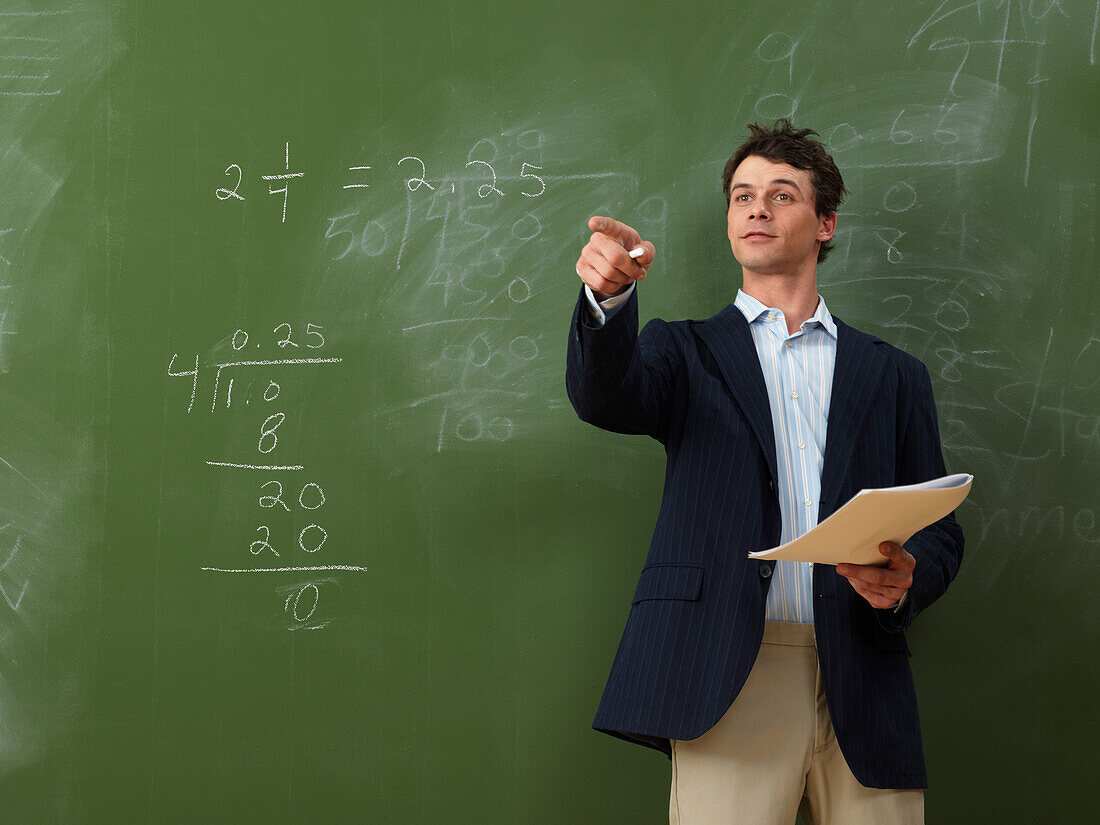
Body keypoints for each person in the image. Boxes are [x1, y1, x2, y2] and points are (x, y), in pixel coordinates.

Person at [565, 120, 964, 825]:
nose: (757, 208)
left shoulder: (895, 375)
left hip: (866, 674)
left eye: (782, 195)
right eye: (743, 196)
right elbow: (604, 397)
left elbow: (940, 528)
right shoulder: (683, 352)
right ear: (728, 221)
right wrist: (609, 300)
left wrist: (908, 578)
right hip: (728, 669)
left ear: (826, 224)